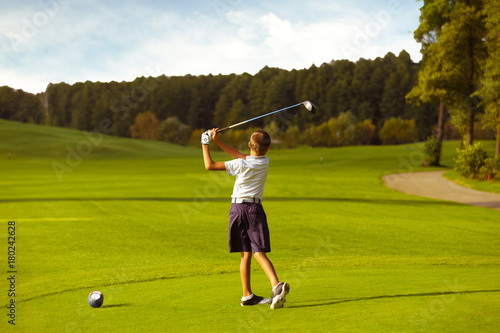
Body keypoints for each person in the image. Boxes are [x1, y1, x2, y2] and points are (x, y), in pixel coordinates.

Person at [201, 128, 290, 309]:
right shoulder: (264, 161)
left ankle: (249, 294)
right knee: (258, 252)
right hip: (253, 209)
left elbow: (209, 165)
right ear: (267, 149)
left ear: (249, 145)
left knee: (245, 253)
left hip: (236, 209)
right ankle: (273, 287)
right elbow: (242, 156)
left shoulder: (241, 164)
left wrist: (205, 143)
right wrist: (217, 141)